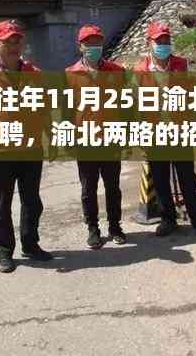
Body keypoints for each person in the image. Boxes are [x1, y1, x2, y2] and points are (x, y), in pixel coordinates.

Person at [0, 20, 54, 273]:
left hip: (30, 150)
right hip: (0, 152)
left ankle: (30, 245)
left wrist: (52, 139)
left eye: (18, 40)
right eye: (8, 41)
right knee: (1, 206)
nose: (14, 46)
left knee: (32, 202)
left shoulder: (34, 73)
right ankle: (5, 253)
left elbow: (44, 110)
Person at [134, 21, 196, 243]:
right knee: (160, 180)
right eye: (159, 41)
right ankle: (168, 219)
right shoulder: (140, 70)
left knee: (187, 178)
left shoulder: (181, 65)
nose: (163, 44)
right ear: (149, 43)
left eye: (166, 40)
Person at [65, 24, 126, 249]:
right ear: (79, 46)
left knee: (113, 188)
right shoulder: (70, 74)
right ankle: (93, 229)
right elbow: (65, 111)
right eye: (89, 43)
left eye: (97, 43)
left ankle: (115, 227)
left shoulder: (116, 71)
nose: (94, 47)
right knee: (88, 189)